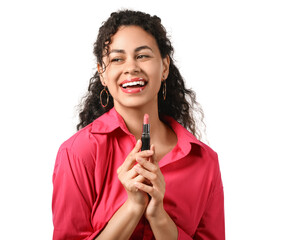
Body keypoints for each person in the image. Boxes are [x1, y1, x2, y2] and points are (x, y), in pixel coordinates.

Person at [52, 9, 225, 240]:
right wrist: (133, 207)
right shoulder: (77, 152)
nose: (131, 67)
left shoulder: (204, 161)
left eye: (142, 56)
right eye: (117, 59)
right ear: (102, 74)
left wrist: (159, 218)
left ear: (164, 67)